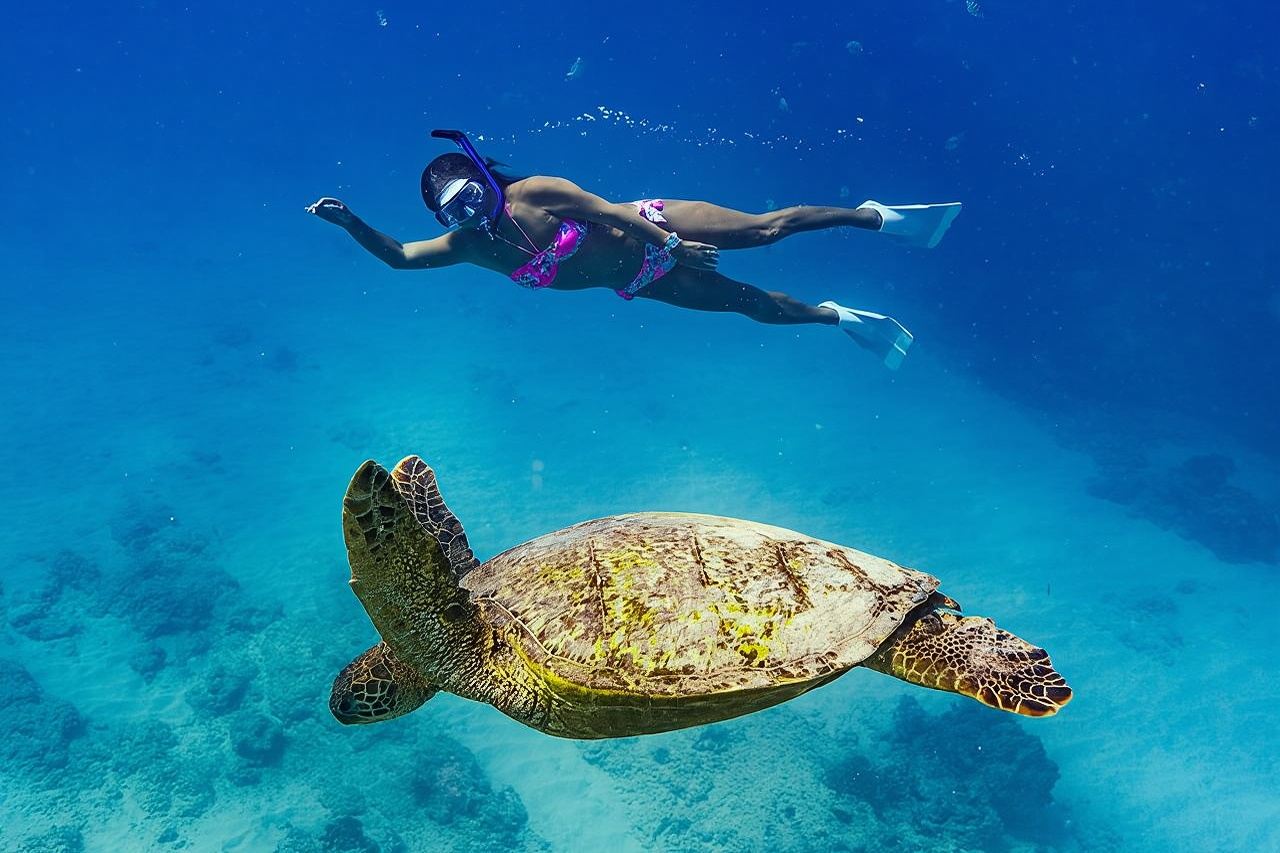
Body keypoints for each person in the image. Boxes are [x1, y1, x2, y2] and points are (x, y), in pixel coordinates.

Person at [307, 129, 961, 369]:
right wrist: (350, 224)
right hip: (643, 279)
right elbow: (399, 257)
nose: (470, 213)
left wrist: (674, 241)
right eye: (455, 211)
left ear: (484, 177)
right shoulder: (471, 247)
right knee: (753, 306)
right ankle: (837, 316)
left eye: (471, 196)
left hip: (653, 225)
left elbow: (606, 212)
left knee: (764, 231)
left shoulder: (535, 192)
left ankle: (871, 216)